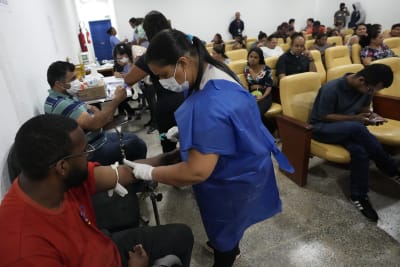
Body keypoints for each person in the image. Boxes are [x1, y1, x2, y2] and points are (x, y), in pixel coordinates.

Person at [127, 29, 293, 267]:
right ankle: (227, 245)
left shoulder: (209, 102)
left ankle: (225, 256)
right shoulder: (212, 70)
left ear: (183, 62)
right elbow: (228, 121)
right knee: (230, 229)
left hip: (232, 179)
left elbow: (196, 171)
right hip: (244, 161)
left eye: (163, 74)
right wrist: (188, 132)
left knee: (225, 235)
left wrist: (151, 172)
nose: (162, 82)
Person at [0, 114, 194, 267]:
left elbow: (125, 172)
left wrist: (167, 159)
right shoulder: (23, 250)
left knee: (182, 235)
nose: (89, 157)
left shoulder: (54, 180)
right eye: (84, 152)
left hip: (102, 246)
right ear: (62, 166)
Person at [308, 64, 400, 222]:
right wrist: (355, 119)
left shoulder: (367, 87)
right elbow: (324, 116)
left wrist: (371, 115)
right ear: (361, 80)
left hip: (348, 129)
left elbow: (364, 107)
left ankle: (358, 195)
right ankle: (390, 167)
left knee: (360, 151)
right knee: (357, 127)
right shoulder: (332, 88)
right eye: (371, 90)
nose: (371, 93)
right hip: (322, 128)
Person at [44, 61, 147, 165]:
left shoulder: (66, 96)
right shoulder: (61, 104)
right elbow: (96, 124)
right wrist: (116, 100)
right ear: (58, 84)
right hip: (91, 151)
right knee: (138, 145)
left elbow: (95, 111)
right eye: (72, 79)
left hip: (98, 138)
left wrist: (99, 118)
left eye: (76, 77)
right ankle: (134, 178)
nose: (77, 82)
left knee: (134, 138)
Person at [124, 10, 184, 153]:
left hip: (167, 106)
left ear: (147, 32)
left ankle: (171, 169)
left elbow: (129, 79)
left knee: (167, 143)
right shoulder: (182, 42)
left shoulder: (151, 54)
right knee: (193, 141)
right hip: (191, 99)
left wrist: (136, 62)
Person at [244, 47, 273, 118]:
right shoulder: (246, 69)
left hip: (265, 94)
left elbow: (269, 86)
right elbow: (247, 85)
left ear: (260, 59)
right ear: (248, 57)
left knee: (257, 112)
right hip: (252, 94)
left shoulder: (266, 69)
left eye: (256, 57)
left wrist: (262, 97)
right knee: (246, 111)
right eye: (251, 56)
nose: (252, 59)